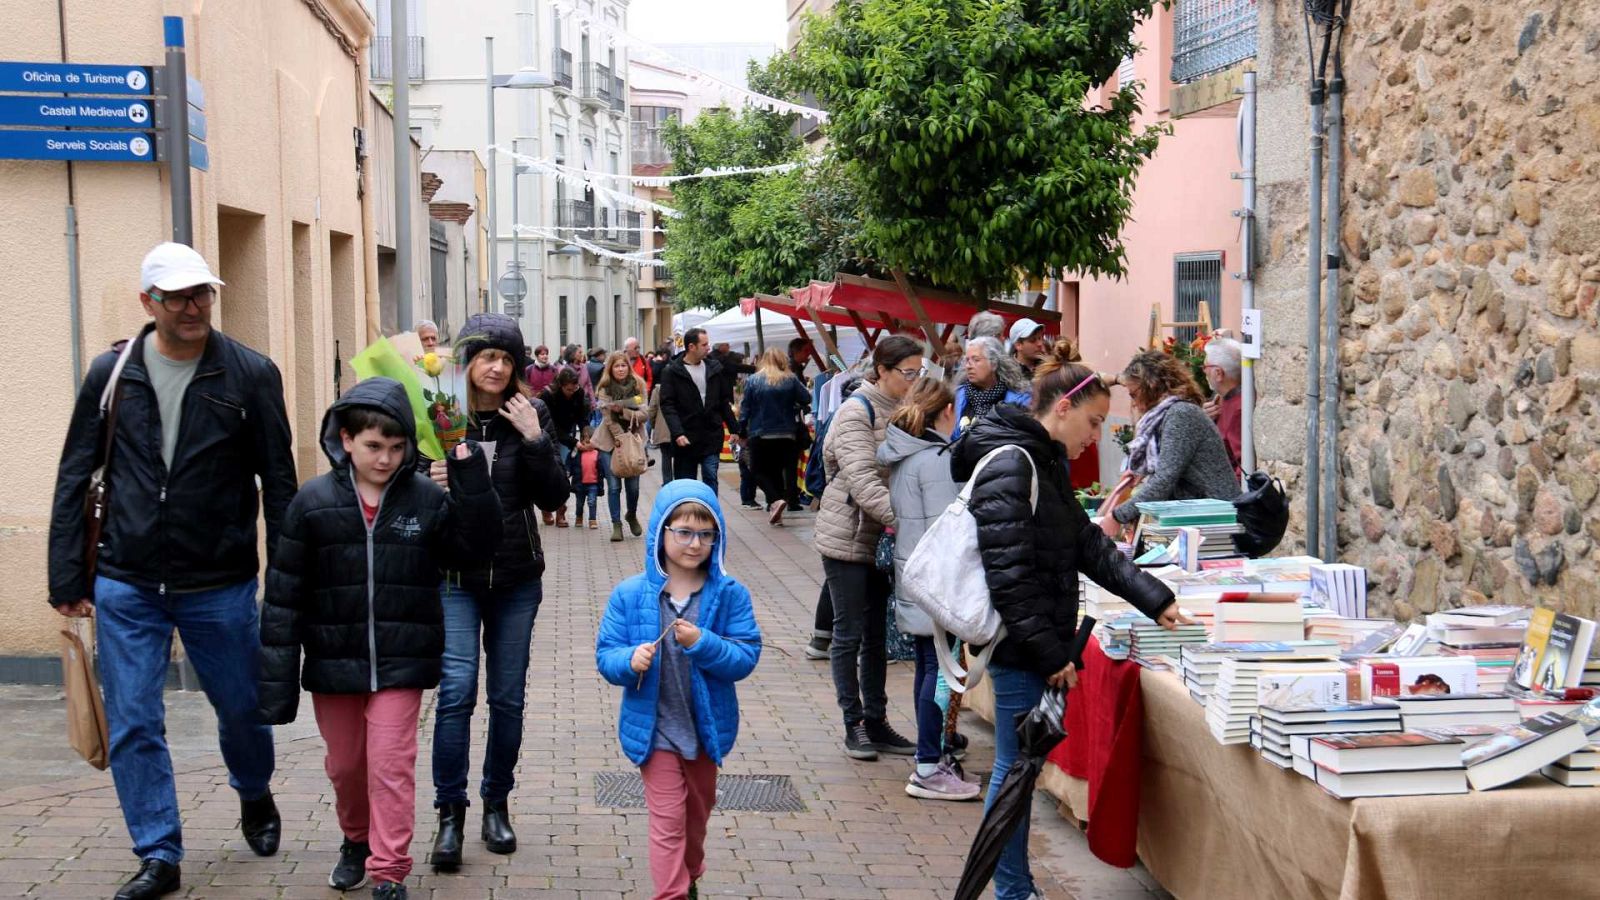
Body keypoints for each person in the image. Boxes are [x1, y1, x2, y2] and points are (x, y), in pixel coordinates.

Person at [47, 242, 296, 900]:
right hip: (126, 578)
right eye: (180, 297)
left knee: (243, 709)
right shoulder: (112, 373)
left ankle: (253, 790)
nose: (195, 307)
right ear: (147, 303)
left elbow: (279, 479)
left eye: (203, 294)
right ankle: (158, 852)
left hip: (219, 580)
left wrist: (290, 576)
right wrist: (67, 575)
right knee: (133, 721)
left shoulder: (249, 373)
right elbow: (77, 471)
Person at [952, 341, 1183, 900]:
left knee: (1020, 769)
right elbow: (1010, 576)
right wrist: (1051, 654)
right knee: (1014, 769)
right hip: (1017, 646)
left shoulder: (1042, 457)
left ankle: (1014, 886)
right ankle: (1011, 890)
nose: (1097, 437)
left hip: (1030, 642)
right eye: (1095, 421)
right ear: (1062, 408)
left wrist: (1155, 597)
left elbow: (1083, 543)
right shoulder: (1015, 461)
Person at [258, 380, 502, 899]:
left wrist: (465, 466)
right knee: (346, 767)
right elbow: (283, 595)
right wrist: (275, 681)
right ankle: (355, 838)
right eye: (374, 446)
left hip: (401, 660)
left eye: (397, 448)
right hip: (333, 662)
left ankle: (389, 869)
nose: (386, 459)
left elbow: (475, 549)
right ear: (345, 439)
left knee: (391, 766)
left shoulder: (426, 498)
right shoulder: (312, 501)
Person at [427, 314, 571, 871]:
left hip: (515, 578)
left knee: (507, 696)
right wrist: (427, 476)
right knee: (458, 693)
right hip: (455, 577)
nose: (496, 366)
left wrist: (536, 440)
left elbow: (555, 495)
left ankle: (496, 803)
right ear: (467, 362)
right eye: (486, 356)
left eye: (506, 359)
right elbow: (404, 484)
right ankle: (449, 814)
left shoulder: (529, 416)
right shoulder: (439, 417)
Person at [595, 481, 761, 900]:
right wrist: (629, 660)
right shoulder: (631, 594)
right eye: (683, 532)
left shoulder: (729, 595)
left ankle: (690, 874)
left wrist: (702, 643)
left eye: (706, 534)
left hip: (706, 732)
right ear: (661, 533)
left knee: (695, 819)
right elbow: (606, 655)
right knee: (667, 821)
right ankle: (671, 893)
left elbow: (744, 657)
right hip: (655, 732)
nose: (694, 543)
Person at [816, 334, 923, 761]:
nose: (913, 381)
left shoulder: (907, 410)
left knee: (879, 633)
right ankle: (853, 723)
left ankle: (877, 721)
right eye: (907, 373)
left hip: (885, 539)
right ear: (882, 370)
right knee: (849, 632)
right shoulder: (854, 411)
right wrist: (909, 524)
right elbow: (862, 480)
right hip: (849, 536)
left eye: (919, 373)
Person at [875, 377, 980, 802]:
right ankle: (928, 764)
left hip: (916, 576)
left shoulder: (907, 455)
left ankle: (930, 758)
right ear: (946, 412)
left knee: (928, 669)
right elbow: (950, 526)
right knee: (938, 674)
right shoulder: (936, 459)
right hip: (938, 580)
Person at [1105, 350, 1242, 535]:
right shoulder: (1171, 414)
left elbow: (1164, 479)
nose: (1134, 403)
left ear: (1151, 386)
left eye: (1134, 394)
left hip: (1217, 520)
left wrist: (1118, 516)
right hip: (1201, 517)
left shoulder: (1181, 415)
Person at [659, 327, 742, 490]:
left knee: (711, 475)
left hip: (711, 434)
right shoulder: (672, 371)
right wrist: (678, 433)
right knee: (686, 482)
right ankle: (689, 513)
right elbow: (668, 405)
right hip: (686, 437)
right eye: (704, 345)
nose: (708, 348)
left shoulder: (714, 368)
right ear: (691, 347)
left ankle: (710, 513)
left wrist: (734, 428)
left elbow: (723, 401)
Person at [738, 348, 811, 527]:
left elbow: (745, 408)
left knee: (757, 470)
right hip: (787, 433)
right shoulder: (790, 378)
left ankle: (776, 500)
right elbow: (806, 398)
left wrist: (741, 431)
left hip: (760, 433)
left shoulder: (754, 380)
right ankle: (776, 509)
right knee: (779, 471)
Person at [594, 350, 649, 542]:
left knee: (633, 486)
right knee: (614, 486)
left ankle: (631, 514)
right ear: (611, 368)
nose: (620, 369)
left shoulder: (638, 386)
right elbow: (607, 416)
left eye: (623, 365)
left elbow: (644, 413)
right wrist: (619, 437)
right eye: (616, 366)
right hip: (610, 442)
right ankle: (616, 524)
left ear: (628, 366)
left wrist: (624, 411)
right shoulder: (605, 388)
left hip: (633, 440)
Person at [539, 367, 590, 528]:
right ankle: (546, 508)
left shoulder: (579, 392)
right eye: (568, 389)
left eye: (574, 388)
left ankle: (561, 511)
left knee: (563, 474)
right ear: (560, 385)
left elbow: (582, 416)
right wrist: (573, 442)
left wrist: (585, 433)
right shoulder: (548, 395)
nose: (572, 392)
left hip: (567, 436)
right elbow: (550, 424)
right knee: (548, 474)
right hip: (548, 435)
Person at [953, 336, 1031, 439]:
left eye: (976, 360)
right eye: (967, 360)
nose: (969, 366)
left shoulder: (1021, 399)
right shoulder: (956, 396)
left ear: (994, 364)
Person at [1203, 337, 1246, 472]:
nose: (1204, 371)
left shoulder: (1239, 408)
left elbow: (1243, 469)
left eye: (1205, 367)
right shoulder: (1220, 400)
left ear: (1218, 373)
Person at [575, 429, 603, 529]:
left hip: (593, 483)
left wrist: (604, 475)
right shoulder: (578, 453)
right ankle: (579, 516)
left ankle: (592, 519)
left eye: (590, 442)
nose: (588, 445)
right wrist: (568, 471)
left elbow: (601, 467)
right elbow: (571, 462)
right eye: (586, 442)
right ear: (581, 441)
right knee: (579, 503)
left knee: (592, 502)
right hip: (580, 483)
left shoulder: (597, 454)